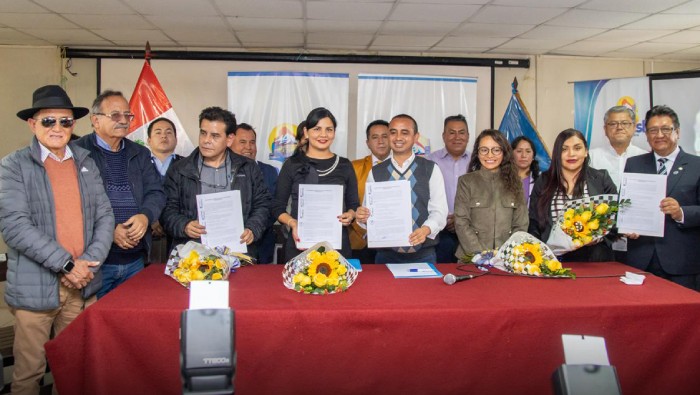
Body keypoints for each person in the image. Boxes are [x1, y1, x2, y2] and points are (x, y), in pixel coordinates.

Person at [0, 85, 114, 394]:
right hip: (35, 290)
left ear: (72, 125)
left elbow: (105, 217)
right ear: (32, 123)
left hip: (83, 285)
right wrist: (67, 265)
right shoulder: (13, 166)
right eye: (48, 120)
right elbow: (14, 226)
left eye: (65, 121)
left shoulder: (86, 162)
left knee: (76, 370)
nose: (57, 128)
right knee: (28, 376)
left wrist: (85, 265)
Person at [75, 90, 165, 298]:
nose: (124, 121)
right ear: (95, 120)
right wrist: (109, 231)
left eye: (128, 115)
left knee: (132, 321)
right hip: (95, 262)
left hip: (135, 259)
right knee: (97, 324)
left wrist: (145, 216)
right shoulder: (77, 153)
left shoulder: (140, 153)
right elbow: (74, 206)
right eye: (115, 115)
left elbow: (156, 192)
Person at [160, 108, 271, 257]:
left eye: (215, 136)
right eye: (203, 133)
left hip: (237, 253)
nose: (206, 140)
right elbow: (166, 210)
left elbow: (263, 204)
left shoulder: (248, 168)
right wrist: (184, 225)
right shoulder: (180, 169)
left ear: (229, 139)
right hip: (193, 256)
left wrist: (252, 229)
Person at [624, 105, 700, 291]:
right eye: (653, 130)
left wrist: (681, 212)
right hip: (640, 260)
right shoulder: (634, 163)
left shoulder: (696, 165)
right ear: (647, 134)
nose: (659, 135)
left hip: (682, 263)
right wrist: (627, 226)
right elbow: (625, 204)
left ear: (677, 132)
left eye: (666, 129)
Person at [356, 114, 448, 264]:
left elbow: (439, 211)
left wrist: (426, 229)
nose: (398, 137)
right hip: (385, 255)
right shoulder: (376, 171)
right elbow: (368, 214)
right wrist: (362, 217)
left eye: (405, 132)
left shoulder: (430, 169)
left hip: (423, 254)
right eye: (393, 132)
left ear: (415, 137)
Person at [272, 107, 359, 260]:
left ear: (334, 133)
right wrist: (292, 223)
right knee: (300, 284)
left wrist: (350, 215)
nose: (323, 135)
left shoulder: (345, 165)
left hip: (337, 247)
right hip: (300, 244)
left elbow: (354, 204)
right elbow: (277, 207)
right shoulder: (292, 164)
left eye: (329, 129)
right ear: (306, 132)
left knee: (337, 284)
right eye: (317, 129)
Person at [528, 128, 617, 262]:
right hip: (554, 261)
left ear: (586, 151)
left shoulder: (601, 178)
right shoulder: (544, 181)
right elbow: (534, 222)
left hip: (595, 260)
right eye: (564, 149)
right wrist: (538, 254)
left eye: (577, 148)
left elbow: (616, 218)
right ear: (557, 154)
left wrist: (597, 237)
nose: (571, 154)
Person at [454, 130, 528, 257]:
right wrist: (481, 255)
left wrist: (505, 255)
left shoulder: (516, 183)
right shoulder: (466, 181)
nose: (489, 155)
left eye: (496, 150)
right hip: (471, 258)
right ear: (477, 153)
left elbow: (521, 225)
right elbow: (461, 222)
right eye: (484, 150)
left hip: (506, 259)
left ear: (504, 153)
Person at [229, 122, 279, 263]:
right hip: (228, 243)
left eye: (252, 142)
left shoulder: (270, 172)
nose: (248, 147)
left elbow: (273, 206)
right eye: (242, 142)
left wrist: (253, 228)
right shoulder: (222, 172)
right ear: (229, 143)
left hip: (262, 244)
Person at [427, 115, 470, 262]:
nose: (457, 137)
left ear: (468, 136)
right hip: (439, 231)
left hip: (471, 230)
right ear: (444, 136)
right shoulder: (429, 161)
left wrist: (460, 218)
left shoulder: (478, 163)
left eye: (461, 132)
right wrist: (442, 218)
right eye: (452, 132)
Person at [350, 119, 390, 263]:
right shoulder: (354, 167)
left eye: (385, 136)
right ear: (368, 143)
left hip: (393, 243)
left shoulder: (403, 168)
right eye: (375, 137)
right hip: (360, 240)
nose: (380, 141)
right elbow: (347, 203)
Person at [147, 117, 183, 262]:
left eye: (169, 132)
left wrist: (166, 221)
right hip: (145, 231)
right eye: (158, 132)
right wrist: (151, 220)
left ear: (176, 139)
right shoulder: (139, 164)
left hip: (177, 233)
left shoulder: (186, 166)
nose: (163, 136)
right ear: (149, 140)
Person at [589, 106, 647, 189]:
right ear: (605, 129)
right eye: (613, 124)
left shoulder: (645, 157)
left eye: (625, 123)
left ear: (634, 128)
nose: (619, 127)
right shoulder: (591, 157)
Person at [511, 136, 540, 206]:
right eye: (519, 151)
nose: (523, 155)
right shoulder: (503, 178)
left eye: (528, 151)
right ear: (511, 154)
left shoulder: (542, 180)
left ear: (533, 156)